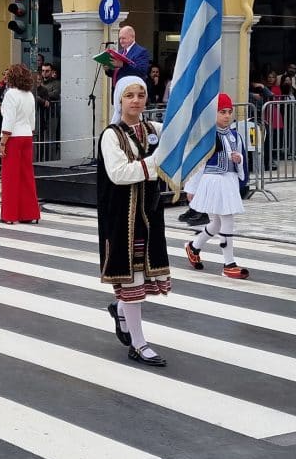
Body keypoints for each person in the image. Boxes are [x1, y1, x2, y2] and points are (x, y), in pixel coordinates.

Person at [97, 75, 170, 367]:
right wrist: (156, 164)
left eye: (141, 94)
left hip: (149, 213)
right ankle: (138, 344)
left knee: (142, 276)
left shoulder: (154, 129)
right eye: (130, 95)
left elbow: (181, 136)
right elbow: (119, 173)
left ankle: (121, 310)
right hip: (123, 216)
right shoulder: (111, 135)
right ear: (119, 100)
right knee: (133, 279)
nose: (136, 100)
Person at [183, 93, 250, 279]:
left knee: (217, 222)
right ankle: (229, 263)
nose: (227, 115)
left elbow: (240, 159)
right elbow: (199, 163)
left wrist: (239, 159)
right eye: (222, 112)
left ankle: (193, 246)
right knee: (226, 220)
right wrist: (191, 188)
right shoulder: (208, 136)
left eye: (229, 112)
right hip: (213, 181)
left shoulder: (235, 135)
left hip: (227, 181)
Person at [0, 64, 41, 224]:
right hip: (27, 135)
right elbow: (32, 120)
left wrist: (3, 142)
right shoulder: (29, 94)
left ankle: (10, 215)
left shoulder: (10, 94)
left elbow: (8, 120)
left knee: (10, 177)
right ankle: (29, 213)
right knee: (26, 176)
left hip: (13, 137)